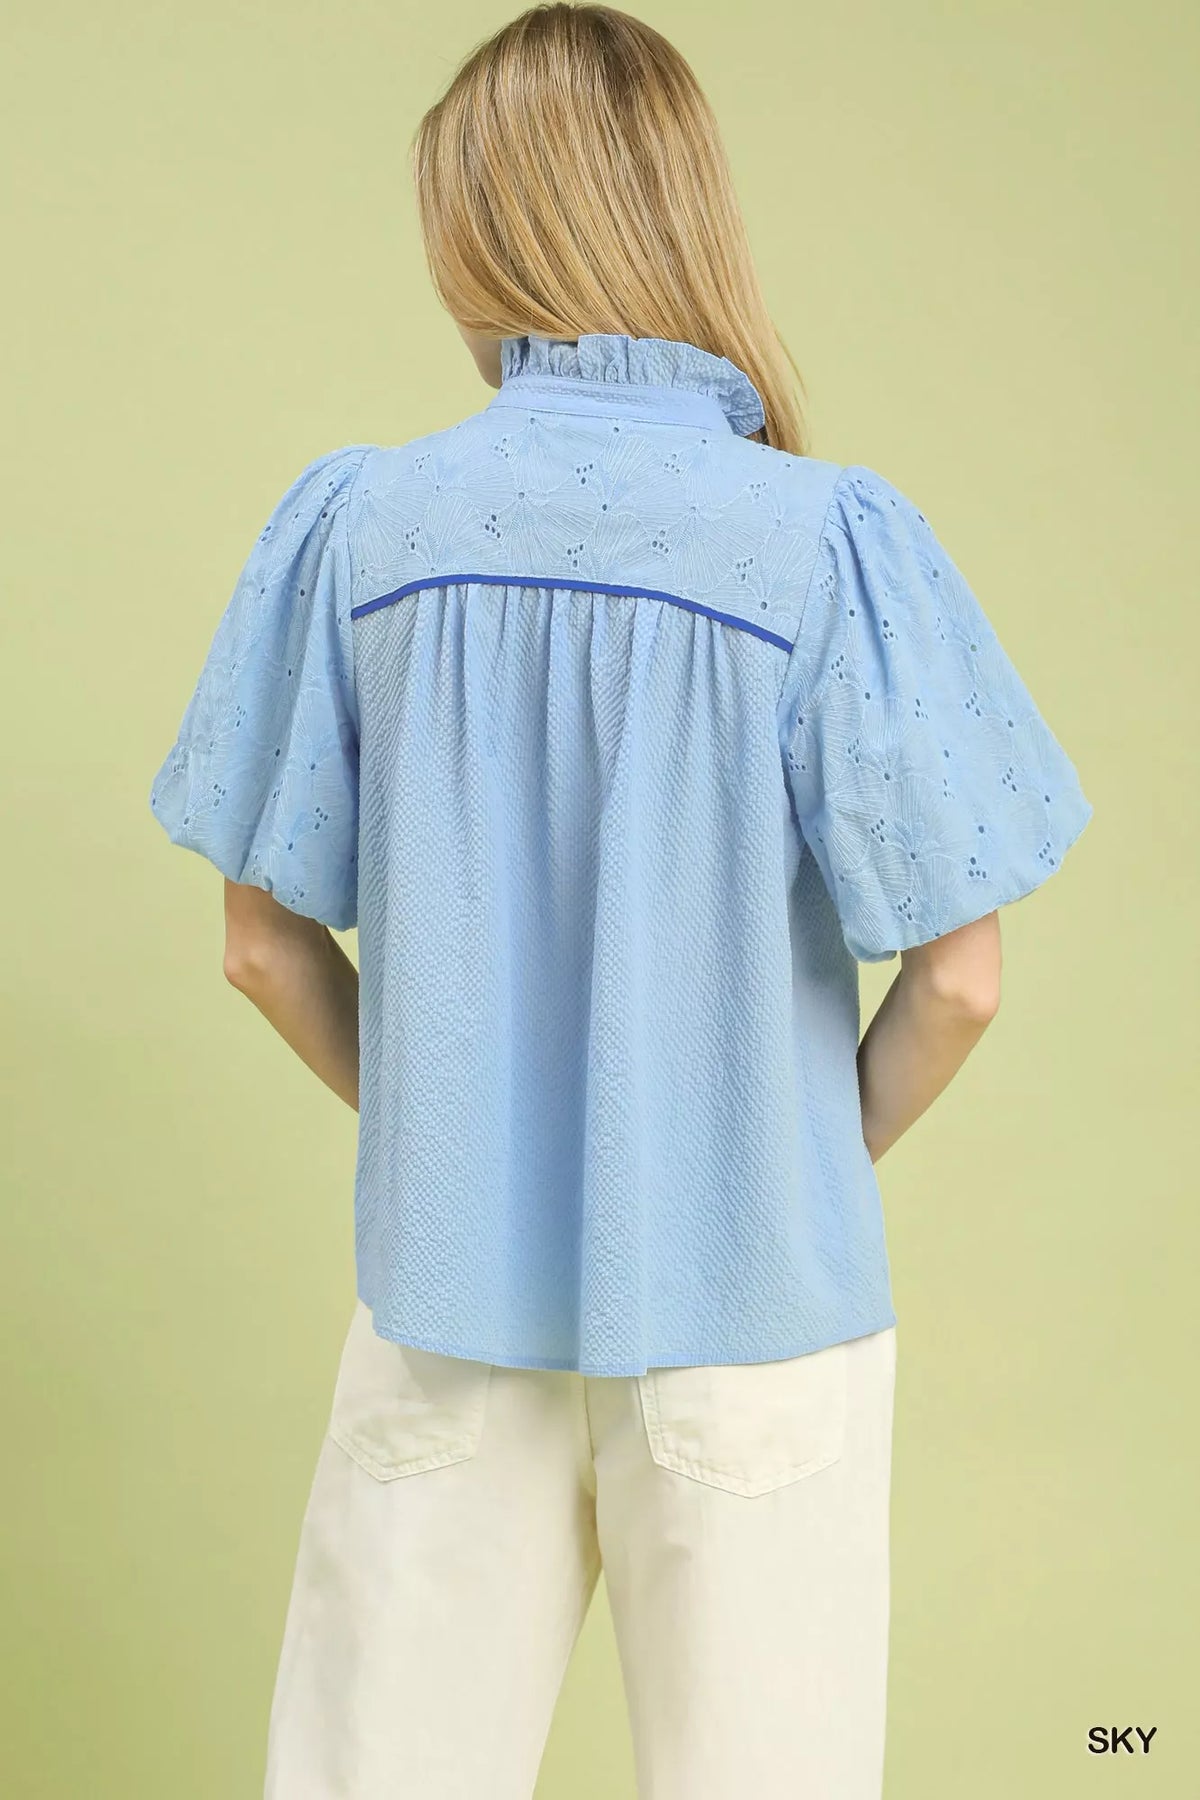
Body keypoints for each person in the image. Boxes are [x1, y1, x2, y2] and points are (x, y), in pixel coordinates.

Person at [147, 6, 1093, 1796]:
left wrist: (461, 1130)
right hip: (760, 1324)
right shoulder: (830, 541)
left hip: (446, 1313)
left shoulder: (359, 528)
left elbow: (260, 947)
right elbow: (963, 981)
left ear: (475, 228)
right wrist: (772, 1156)